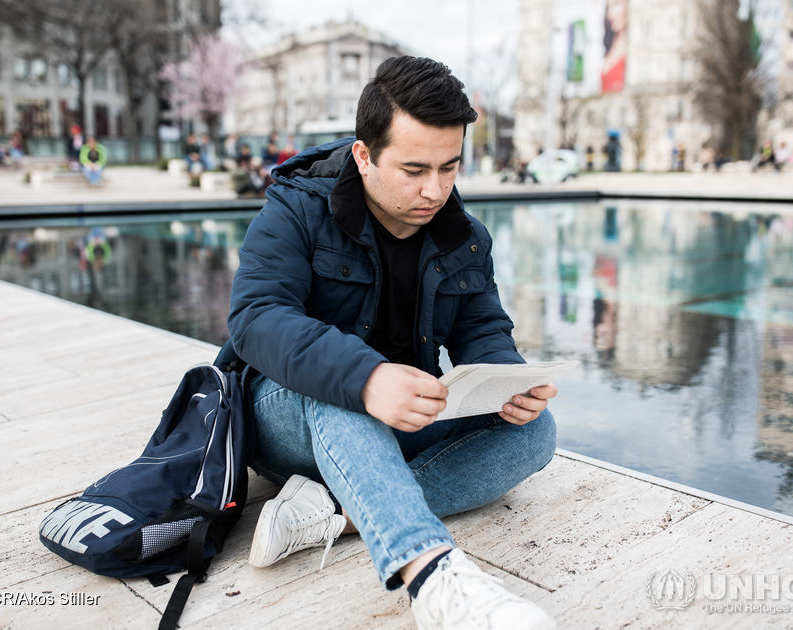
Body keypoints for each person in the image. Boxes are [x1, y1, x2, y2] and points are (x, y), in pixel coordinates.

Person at [221, 56, 558, 629]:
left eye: (449, 167)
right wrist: (369, 378)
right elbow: (255, 318)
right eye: (413, 169)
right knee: (344, 387)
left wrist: (507, 381)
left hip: (398, 418)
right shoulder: (297, 208)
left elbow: (483, 329)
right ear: (364, 155)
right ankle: (434, 578)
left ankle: (331, 513)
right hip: (287, 414)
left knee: (535, 434)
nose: (434, 190)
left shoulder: (465, 236)